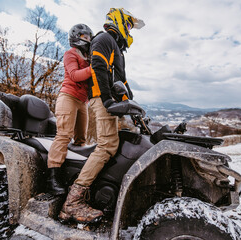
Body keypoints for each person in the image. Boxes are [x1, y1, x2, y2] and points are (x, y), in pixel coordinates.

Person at [59, 8, 145, 223]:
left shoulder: (117, 48)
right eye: (127, 25)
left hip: (110, 101)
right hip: (101, 99)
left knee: (118, 144)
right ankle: (73, 202)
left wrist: (133, 107)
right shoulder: (104, 38)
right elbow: (97, 66)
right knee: (106, 146)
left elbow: (122, 82)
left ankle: (106, 189)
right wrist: (106, 99)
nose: (129, 30)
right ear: (118, 21)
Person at [46, 24, 93, 195]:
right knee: (64, 135)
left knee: (81, 139)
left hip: (82, 102)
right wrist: (93, 69)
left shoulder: (88, 57)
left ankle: (72, 175)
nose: (87, 40)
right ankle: (52, 178)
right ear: (76, 37)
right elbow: (74, 75)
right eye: (85, 37)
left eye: (89, 38)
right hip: (68, 97)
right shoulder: (70, 54)